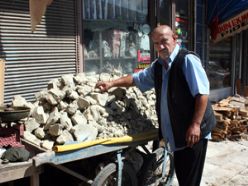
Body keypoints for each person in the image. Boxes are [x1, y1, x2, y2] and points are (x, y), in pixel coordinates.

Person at [96, 25, 216, 186]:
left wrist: (195, 125)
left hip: (193, 134)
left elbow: (202, 94)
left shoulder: (187, 60)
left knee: (190, 180)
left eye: (164, 41)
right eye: (156, 43)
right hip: (178, 134)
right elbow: (136, 79)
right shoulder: (159, 66)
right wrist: (111, 83)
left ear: (174, 38)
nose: (160, 47)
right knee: (183, 177)